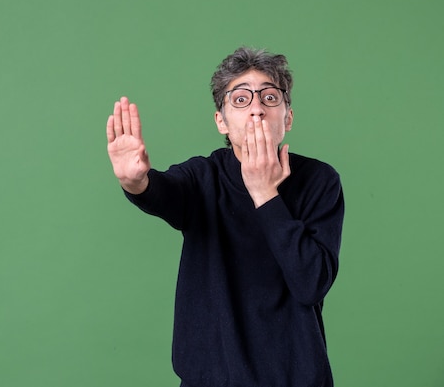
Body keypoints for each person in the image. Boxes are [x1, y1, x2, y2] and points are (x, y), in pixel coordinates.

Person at [105, 46, 344, 387]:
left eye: (270, 98)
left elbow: (311, 284)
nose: (257, 110)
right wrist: (136, 181)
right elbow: (164, 192)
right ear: (222, 122)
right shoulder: (203, 177)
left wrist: (265, 193)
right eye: (241, 100)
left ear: (288, 117)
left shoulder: (320, 181)